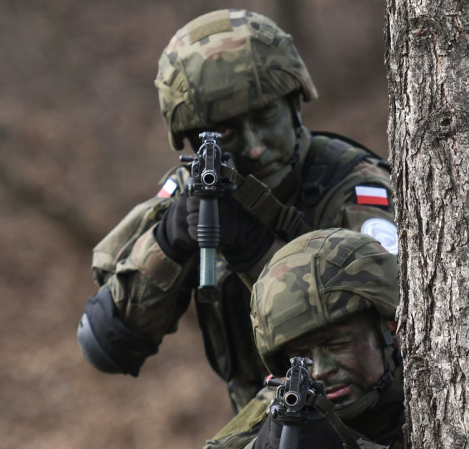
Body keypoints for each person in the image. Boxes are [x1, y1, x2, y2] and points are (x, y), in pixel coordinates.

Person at [77, 9, 399, 410]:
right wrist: (170, 241)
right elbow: (109, 344)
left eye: (266, 117)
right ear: (193, 139)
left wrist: (254, 250)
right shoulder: (195, 192)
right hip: (266, 422)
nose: (255, 146)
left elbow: (395, 352)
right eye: (227, 131)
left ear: (295, 102)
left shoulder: (354, 193)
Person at [201, 228, 403, 449]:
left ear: (390, 328)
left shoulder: (436, 391)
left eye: (337, 345)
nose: (319, 371)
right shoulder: (286, 410)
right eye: (300, 357)